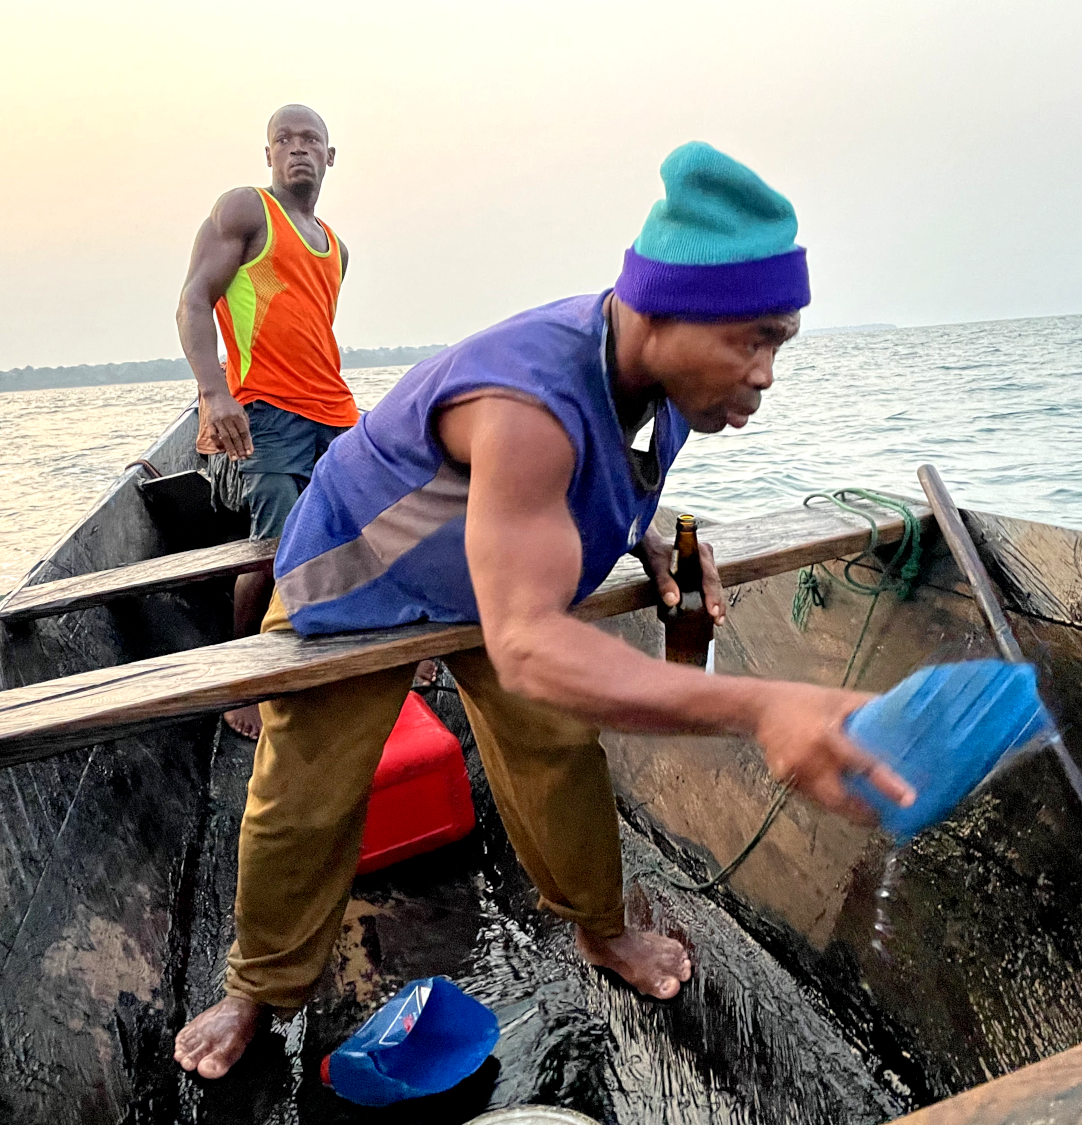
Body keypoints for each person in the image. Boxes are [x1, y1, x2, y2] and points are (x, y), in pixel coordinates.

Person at [174, 142, 915, 1079]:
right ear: (656, 311)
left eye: (779, 343)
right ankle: (258, 984)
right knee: (306, 795)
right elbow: (528, 645)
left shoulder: (668, 386)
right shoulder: (526, 398)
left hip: (496, 580)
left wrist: (645, 538)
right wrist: (764, 705)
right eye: (753, 339)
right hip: (360, 578)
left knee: (558, 750)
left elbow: (605, 481)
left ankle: (599, 930)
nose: (766, 371)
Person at [177, 103, 357, 739]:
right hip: (265, 411)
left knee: (380, 517)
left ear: (330, 156)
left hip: (333, 408)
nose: (298, 148)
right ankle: (246, 680)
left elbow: (311, 332)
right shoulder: (245, 210)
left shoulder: (338, 247)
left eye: (311, 139)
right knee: (276, 536)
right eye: (284, 140)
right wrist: (212, 392)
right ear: (269, 155)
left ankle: (376, 643)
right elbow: (194, 300)